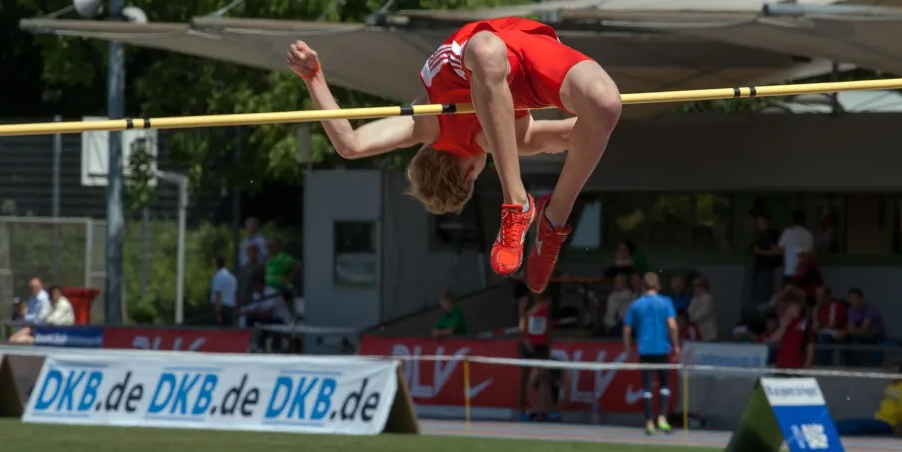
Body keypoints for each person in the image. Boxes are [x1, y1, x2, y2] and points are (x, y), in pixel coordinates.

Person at [287, 17, 623, 293]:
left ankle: (520, 203)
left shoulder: (428, 126)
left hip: (501, 47)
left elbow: (352, 145)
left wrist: (312, 78)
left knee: (486, 48)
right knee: (605, 106)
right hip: (525, 55)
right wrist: (313, 77)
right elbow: (580, 136)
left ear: (468, 176)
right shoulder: (501, 139)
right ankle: (555, 218)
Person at [623, 272, 680, 436]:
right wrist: (676, 345)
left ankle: (649, 421)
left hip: (645, 349)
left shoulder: (636, 304)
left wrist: (628, 350)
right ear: (658, 286)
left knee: (647, 386)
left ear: (643, 286)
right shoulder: (665, 302)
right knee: (664, 384)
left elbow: (627, 328)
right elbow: (673, 325)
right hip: (662, 349)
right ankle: (662, 417)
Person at [835, 363, 902, 437]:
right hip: (879, 418)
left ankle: (835, 430)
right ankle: (835, 426)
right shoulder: (890, 387)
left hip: (889, 424)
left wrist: (901, 428)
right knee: (855, 423)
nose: (891, 373)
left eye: (895, 371)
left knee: (860, 425)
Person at [519, 293, 555, 421]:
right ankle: (522, 412)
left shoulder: (547, 306)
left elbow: (548, 327)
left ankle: (545, 411)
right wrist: (525, 340)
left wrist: (548, 346)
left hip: (541, 346)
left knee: (544, 378)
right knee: (523, 379)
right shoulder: (526, 303)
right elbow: (522, 325)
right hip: (527, 345)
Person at [211, 256, 238, 327]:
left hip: (222, 309)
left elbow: (218, 296)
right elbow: (234, 294)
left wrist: (218, 313)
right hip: (231, 307)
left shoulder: (217, 277)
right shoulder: (232, 277)